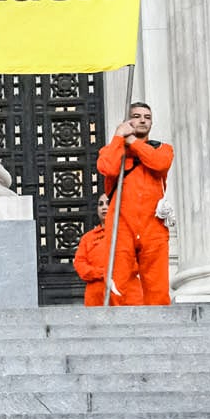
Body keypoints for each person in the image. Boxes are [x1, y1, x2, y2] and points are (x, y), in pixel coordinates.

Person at [92, 101, 174, 306]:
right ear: (127, 121)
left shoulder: (163, 149)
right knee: (118, 280)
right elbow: (107, 168)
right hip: (121, 223)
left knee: (157, 283)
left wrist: (134, 143)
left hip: (153, 223)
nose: (142, 120)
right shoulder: (112, 151)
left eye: (147, 117)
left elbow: (159, 164)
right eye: (136, 116)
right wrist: (119, 137)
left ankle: (160, 328)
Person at [74, 212, 109, 307]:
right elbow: (79, 263)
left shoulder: (125, 235)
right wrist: (99, 273)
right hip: (95, 293)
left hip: (121, 291)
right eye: (100, 204)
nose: (104, 207)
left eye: (108, 203)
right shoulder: (88, 238)